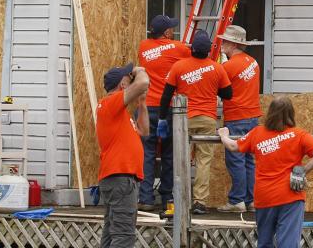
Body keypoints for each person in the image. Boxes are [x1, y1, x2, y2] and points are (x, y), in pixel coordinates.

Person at [218, 96, 313, 248]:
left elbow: (233, 147)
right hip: (290, 196)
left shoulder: (257, 133)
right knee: (288, 244)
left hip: (265, 197)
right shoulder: (299, 134)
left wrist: (223, 135)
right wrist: (302, 171)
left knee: (265, 242)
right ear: (291, 114)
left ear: (270, 113)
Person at [159, 30, 233, 214]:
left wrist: (162, 118)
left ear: (192, 49)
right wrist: (211, 87)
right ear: (209, 51)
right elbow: (228, 94)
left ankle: (179, 198)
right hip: (207, 119)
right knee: (203, 161)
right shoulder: (217, 68)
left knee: (181, 158)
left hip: (184, 120)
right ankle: (199, 202)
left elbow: (166, 95)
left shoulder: (179, 66)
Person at [136, 14, 191, 212]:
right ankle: (168, 197)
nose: (173, 31)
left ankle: (145, 198)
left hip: (147, 106)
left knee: (147, 153)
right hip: (169, 108)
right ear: (167, 32)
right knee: (169, 152)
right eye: (171, 29)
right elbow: (198, 55)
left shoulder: (143, 46)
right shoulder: (178, 48)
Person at [96, 62, 150, 248]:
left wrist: (142, 104)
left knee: (112, 234)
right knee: (123, 235)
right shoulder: (109, 103)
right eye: (129, 77)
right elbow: (143, 83)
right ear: (123, 85)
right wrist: (140, 70)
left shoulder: (120, 112)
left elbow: (144, 130)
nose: (132, 78)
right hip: (120, 178)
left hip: (121, 179)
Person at [217, 25, 263, 212]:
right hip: (253, 115)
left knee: (235, 159)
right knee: (249, 160)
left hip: (236, 116)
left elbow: (220, 90)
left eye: (224, 41)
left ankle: (237, 200)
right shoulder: (253, 62)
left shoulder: (228, 66)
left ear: (232, 43)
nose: (221, 44)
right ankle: (251, 200)